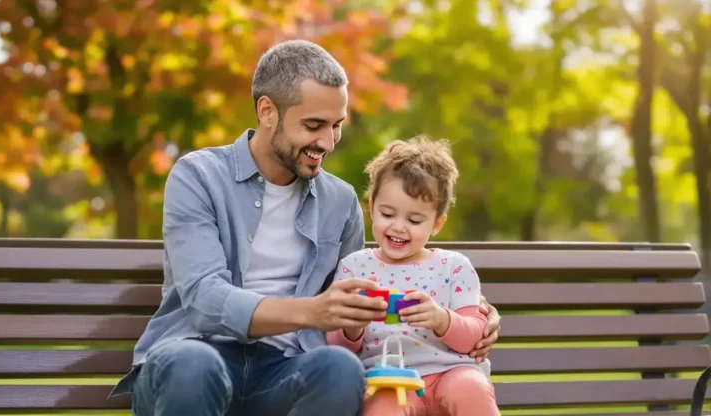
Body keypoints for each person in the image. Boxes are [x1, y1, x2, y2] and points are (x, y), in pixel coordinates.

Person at [109, 39, 501, 416]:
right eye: (314, 125)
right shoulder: (198, 176)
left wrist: (467, 315)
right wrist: (312, 311)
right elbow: (204, 299)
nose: (328, 142)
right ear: (267, 112)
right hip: (195, 358)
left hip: (282, 370)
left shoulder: (340, 201)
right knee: (194, 363)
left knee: (339, 370)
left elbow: (366, 289)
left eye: (337, 125)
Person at [326, 135, 501, 415]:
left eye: (414, 220)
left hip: (451, 372)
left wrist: (442, 320)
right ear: (372, 207)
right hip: (387, 378)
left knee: (471, 388)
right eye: (387, 214)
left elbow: (476, 339)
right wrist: (353, 326)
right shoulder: (354, 268)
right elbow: (337, 346)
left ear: (437, 224)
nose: (398, 227)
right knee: (384, 406)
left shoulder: (453, 266)